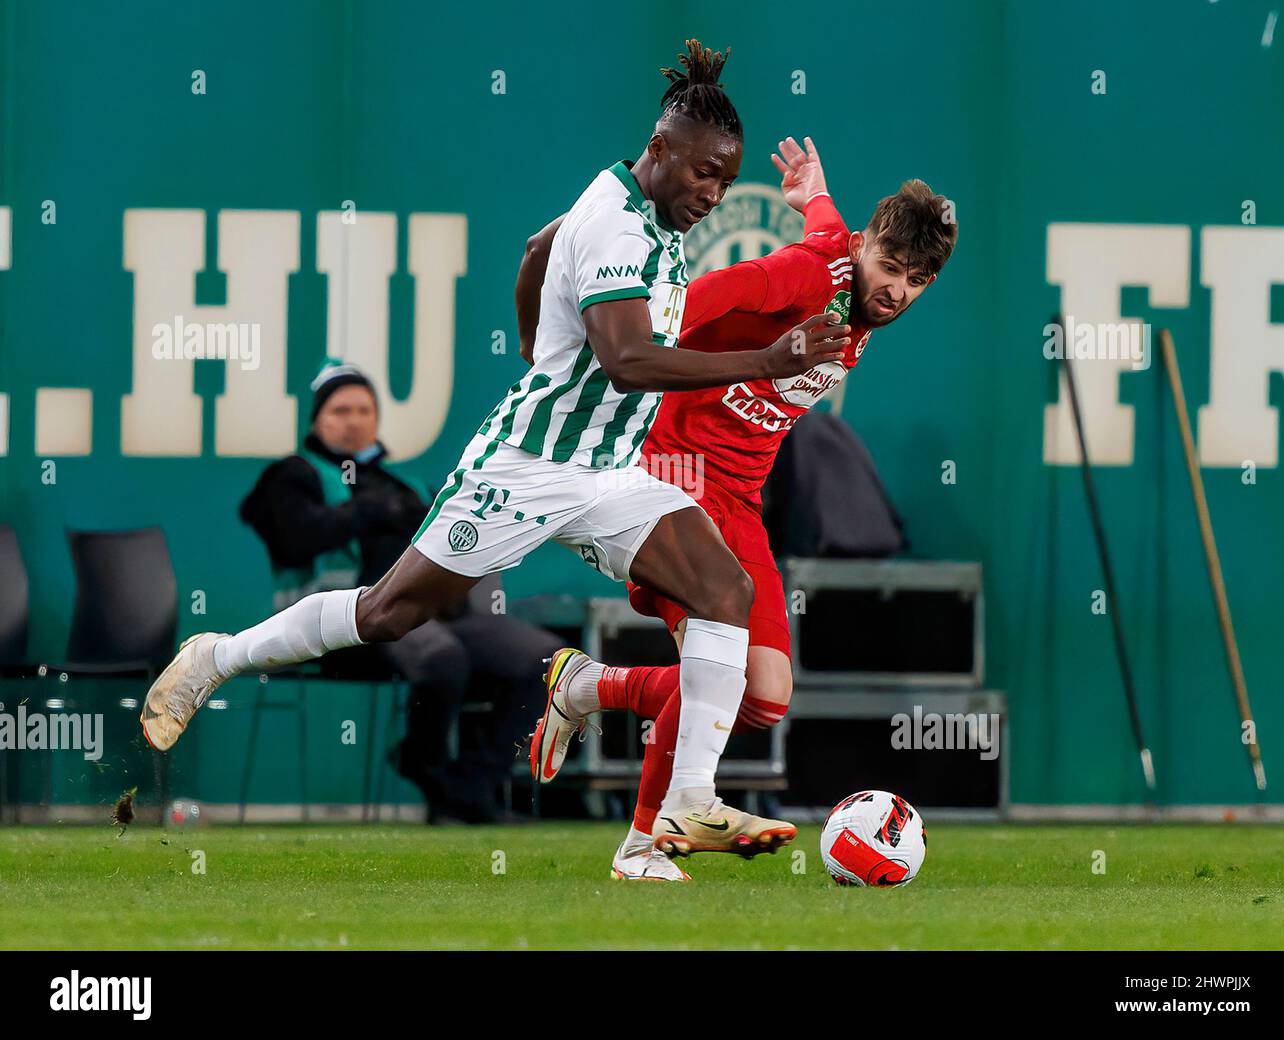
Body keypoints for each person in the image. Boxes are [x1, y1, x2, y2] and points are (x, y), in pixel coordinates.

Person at [138, 40, 851, 882]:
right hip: (527, 468)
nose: (713, 193)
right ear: (658, 151)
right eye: (703, 174)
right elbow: (627, 361)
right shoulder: (620, 225)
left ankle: (681, 807)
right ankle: (216, 657)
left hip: (608, 469)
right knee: (388, 614)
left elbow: (532, 249)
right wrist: (768, 361)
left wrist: (530, 344)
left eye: (725, 182)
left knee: (724, 589)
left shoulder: (633, 199)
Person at [523, 138, 958, 877]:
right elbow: (683, 307)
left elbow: (826, 222)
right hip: (671, 477)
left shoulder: (845, 259)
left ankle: (591, 687)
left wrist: (814, 192)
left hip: (738, 500)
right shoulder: (802, 274)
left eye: (918, 281)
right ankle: (641, 849)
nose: (898, 293)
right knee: (709, 666)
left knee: (765, 697)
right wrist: (603, 361)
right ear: (862, 248)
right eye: (890, 269)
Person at [237, 361, 560, 823]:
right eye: (340, 410)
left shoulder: (404, 483)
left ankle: (469, 786)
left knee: (546, 663)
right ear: (316, 419)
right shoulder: (293, 475)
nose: (354, 420)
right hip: (343, 624)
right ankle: (425, 763)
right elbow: (294, 539)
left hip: (437, 615)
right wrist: (362, 513)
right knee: (443, 658)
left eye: (364, 409)